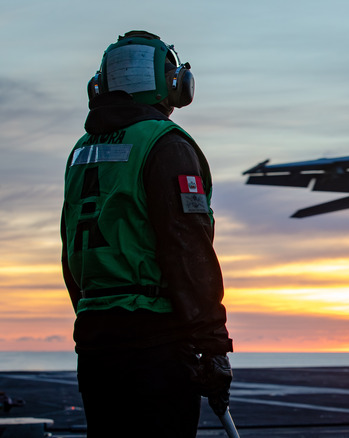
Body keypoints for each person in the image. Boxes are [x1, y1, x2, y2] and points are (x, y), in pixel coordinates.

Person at [61, 30, 233, 437]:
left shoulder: (81, 152)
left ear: (99, 86)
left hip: (94, 338)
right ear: (174, 84)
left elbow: (71, 251)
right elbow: (187, 247)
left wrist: (92, 318)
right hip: (155, 341)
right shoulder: (164, 145)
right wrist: (212, 343)